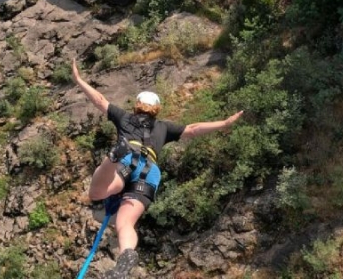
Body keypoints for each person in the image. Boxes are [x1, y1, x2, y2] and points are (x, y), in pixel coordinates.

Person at [71, 58, 243, 278]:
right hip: (150, 172)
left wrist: (79, 80)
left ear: (137, 105)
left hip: (129, 158)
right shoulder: (164, 127)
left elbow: (99, 100)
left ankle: (112, 157)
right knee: (125, 223)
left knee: (97, 192)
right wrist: (224, 123)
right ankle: (126, 256)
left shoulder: (125, 117)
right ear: (157, 109)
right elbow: (194, 129)